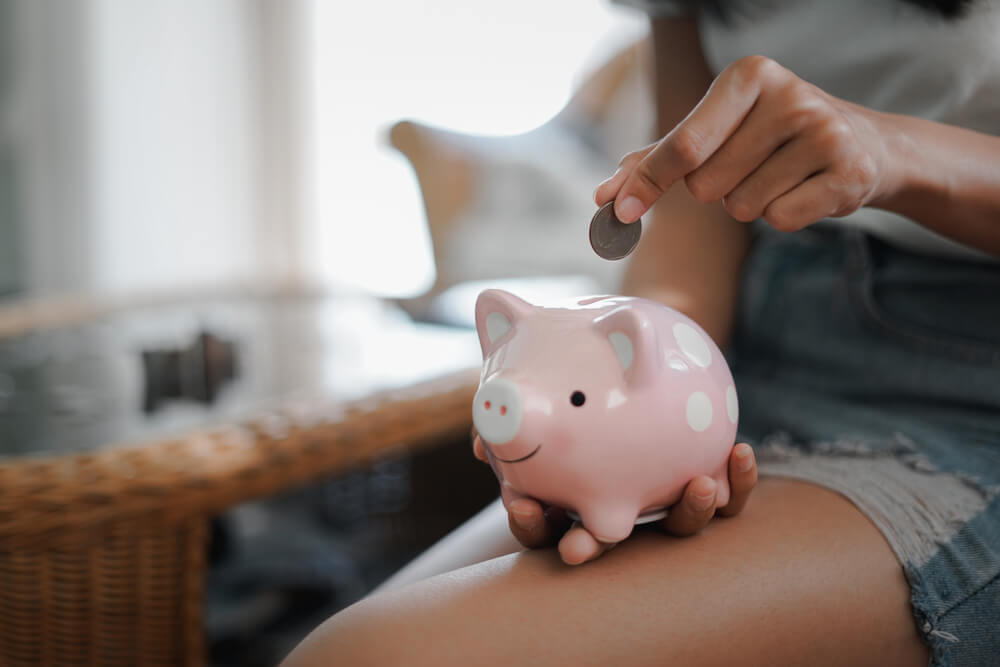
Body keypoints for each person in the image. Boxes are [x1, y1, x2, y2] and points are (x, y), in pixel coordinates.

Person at [283, 0, 1000, 664]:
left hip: (966, 398)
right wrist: (654, 409)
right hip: (747, 350)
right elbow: (694, 211)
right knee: (342, 641)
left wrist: (897, 152)